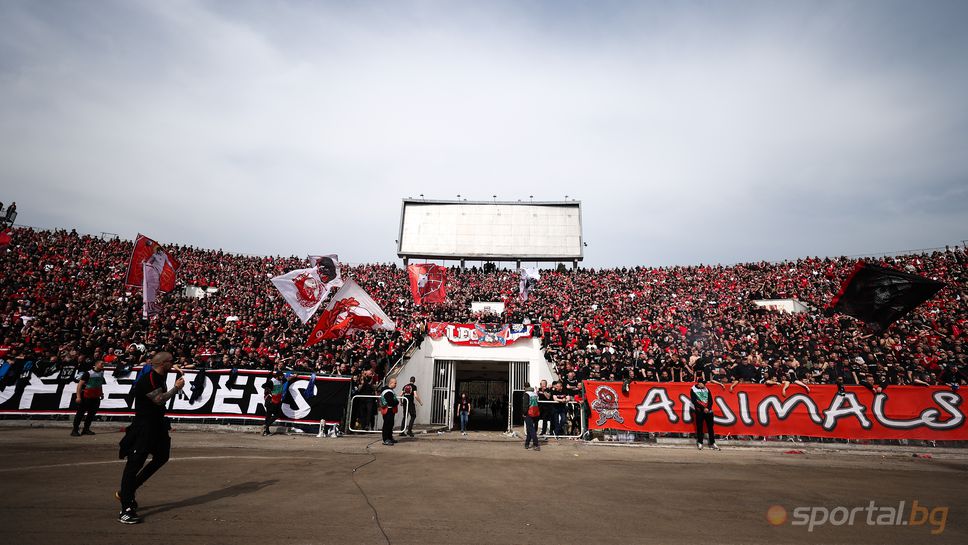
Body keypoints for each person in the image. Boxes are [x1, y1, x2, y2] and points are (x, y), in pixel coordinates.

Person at [116, 351, 185, 524]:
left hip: (157, 426)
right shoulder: (149, 379)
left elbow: (160, 397)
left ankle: (129, 489)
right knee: (135, 463)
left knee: (162, 456)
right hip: (144, 427)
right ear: (164, 364)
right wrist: (176, 388)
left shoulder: (160, 376)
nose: (173, 364)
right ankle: (126, 507)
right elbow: (159, 400)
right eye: (171, 362)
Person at [72, 360, 105, 436]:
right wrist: (78, 397)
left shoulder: (101, 373)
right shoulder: (88, 373)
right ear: (96, 364)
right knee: (80, 413)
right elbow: (79, 385)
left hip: (96, 397)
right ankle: (75, 430)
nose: (103, 365)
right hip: (86, 397)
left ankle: (86, 429)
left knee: (91, 414)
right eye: (102, 364)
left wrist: (101, 393)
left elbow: (99, 384)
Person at [690, 378, 720, 451]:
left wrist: (708, 408)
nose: (704, 384)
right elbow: (694, 401)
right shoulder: (693, 389)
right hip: (700, 411)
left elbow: (710, 400)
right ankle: (700, 442)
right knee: (699, 427)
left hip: (708, 411)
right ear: (699, 383)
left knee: (710, 427)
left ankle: (712, 442)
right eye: (703, 383)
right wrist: (703, 408)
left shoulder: (707, 389)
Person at [262, 369, 287, 436]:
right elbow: (263, 386)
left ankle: (266, 431)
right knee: (276, 414)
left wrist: (294, 376)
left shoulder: (280, 380)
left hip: (274, 401)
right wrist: (270, 390)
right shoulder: (272, 381)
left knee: (268, 416)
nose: (282, 377)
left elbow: (286, 379)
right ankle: (266, 426)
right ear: (278, 376)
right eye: (281, 376)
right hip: (272, 401)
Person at [379, 378, 399, 446]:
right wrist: (396, 402)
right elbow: (391, 402)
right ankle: (386, 439)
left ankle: (390, 438)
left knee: (390, 424)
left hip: (390, 410)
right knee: (387, 424)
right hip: (388, 410)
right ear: (391, 383)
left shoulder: (389, 390)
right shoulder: (388, 391)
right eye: (395, 383)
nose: (396, 384)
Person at [523, 383, 540, 451]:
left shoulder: (526, 394)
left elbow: (525, 405)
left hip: (529, 413)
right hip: (536, 413)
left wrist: (524, 413)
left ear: (525, 388)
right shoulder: (534, 394)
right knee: (530, 429)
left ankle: (536, 444)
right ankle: (527, 443)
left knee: (531, 429)